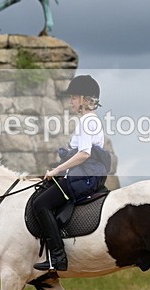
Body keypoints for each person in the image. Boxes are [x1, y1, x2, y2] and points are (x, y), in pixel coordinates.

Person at [31, 75, 109, 271]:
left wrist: (57, 170)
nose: (71, 101)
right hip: (87, 174)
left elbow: (84, 154)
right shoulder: (91, 120)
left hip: (83, 175)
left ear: (83, 99)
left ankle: (58, 257)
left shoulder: (86, 122)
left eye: (74, 97)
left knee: (40, 203)